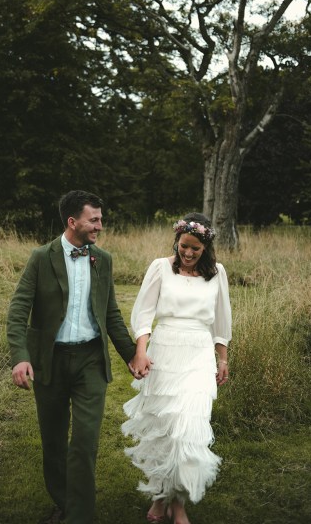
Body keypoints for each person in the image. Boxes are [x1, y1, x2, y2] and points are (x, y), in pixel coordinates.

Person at [7, 190, 151, 524]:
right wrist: (20, 357)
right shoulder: (41, 257)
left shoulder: (103, 259)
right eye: (94, 219)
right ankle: (63, 502)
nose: (101, 225)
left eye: (101, 218)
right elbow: (18, 311)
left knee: (84, 442)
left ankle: (79, 517)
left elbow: (111, 312)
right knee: (54, 442)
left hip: (90, 360)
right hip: (51, 361)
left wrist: (132, 354)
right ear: (73, 222)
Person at [122, 213, 232, 524]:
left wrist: (222, 358)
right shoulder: (160, 267)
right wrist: (140, 352)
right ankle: (160, 496)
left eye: (195, 249)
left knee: (189, 430)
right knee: (166, 428)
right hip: (165, 351)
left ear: (205, 247)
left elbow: (222, 320)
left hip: (198, 353)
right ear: (177, 241)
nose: (188, 253)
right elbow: (142, 314)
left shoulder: (217, 274)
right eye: (184, 246)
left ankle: (179, 503)